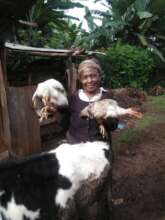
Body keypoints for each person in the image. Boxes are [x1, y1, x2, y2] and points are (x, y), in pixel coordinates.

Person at [66, 59, 118, 148]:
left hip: (99, 148)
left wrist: (106, 118)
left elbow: (114, 126)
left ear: (100, 76)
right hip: (75, 146)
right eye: (85, 77)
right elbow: (66, 123)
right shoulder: (73, 97)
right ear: (80, 79)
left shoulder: (107, 96)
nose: (89, 80)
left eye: (93, 76)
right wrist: (55, 112)